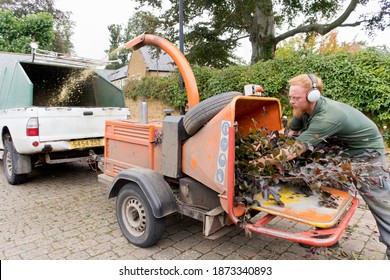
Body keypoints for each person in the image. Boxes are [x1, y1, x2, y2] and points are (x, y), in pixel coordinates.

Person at [284, 73, 390, 259]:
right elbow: (290, 135)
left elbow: (293, 149)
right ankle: (327, 234)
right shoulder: (302, 110)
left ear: (312, 96)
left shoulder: (328, 116)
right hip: (340, 153)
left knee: (381, 202)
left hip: (367, 155)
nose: (292, 101)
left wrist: (261, 162)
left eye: (296, 97)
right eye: (290, 96)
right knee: (329, 190)